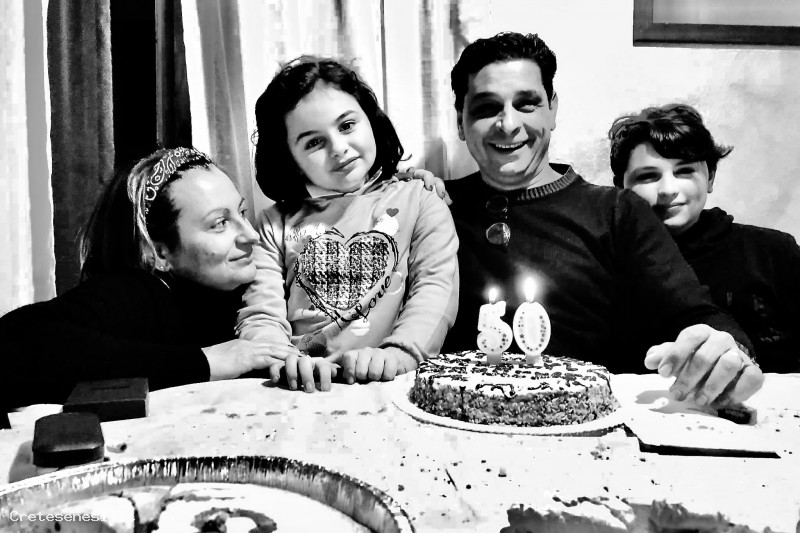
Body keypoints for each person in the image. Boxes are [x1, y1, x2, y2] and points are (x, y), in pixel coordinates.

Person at [443, 32, 764, 407]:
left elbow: (693, 311)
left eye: (527, 104)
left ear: (552, 109)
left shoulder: (617, 212)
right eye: (486, 108)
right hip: (450, 422)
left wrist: (725, 349)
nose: (508, 124)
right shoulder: (433, 205)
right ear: (461, 123)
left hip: (583, 425)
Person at [0, 147, 301, 409]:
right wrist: (208, 361)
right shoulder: (140, 292)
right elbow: (14, 344)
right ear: (158, 252)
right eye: (220, 223)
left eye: (242, 213)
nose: (250, 235)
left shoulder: (261, 281)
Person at [236, 57, 459, 390]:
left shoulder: (421, 200)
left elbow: (435, 289)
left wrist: (399, 354)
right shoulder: (274, 223)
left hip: (389, 384)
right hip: (299, 387)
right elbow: (262, 313)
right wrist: (281, 360)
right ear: (290, 159)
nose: (339, 149)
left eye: (347, 125)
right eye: (313, 142)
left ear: (370, 119)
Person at [609, 103, 800, 372]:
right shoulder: (607, 264)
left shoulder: (772, 252)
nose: (668, 189)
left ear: (710, 177)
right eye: (648, 176)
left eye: (684, 171)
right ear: (621, 188)